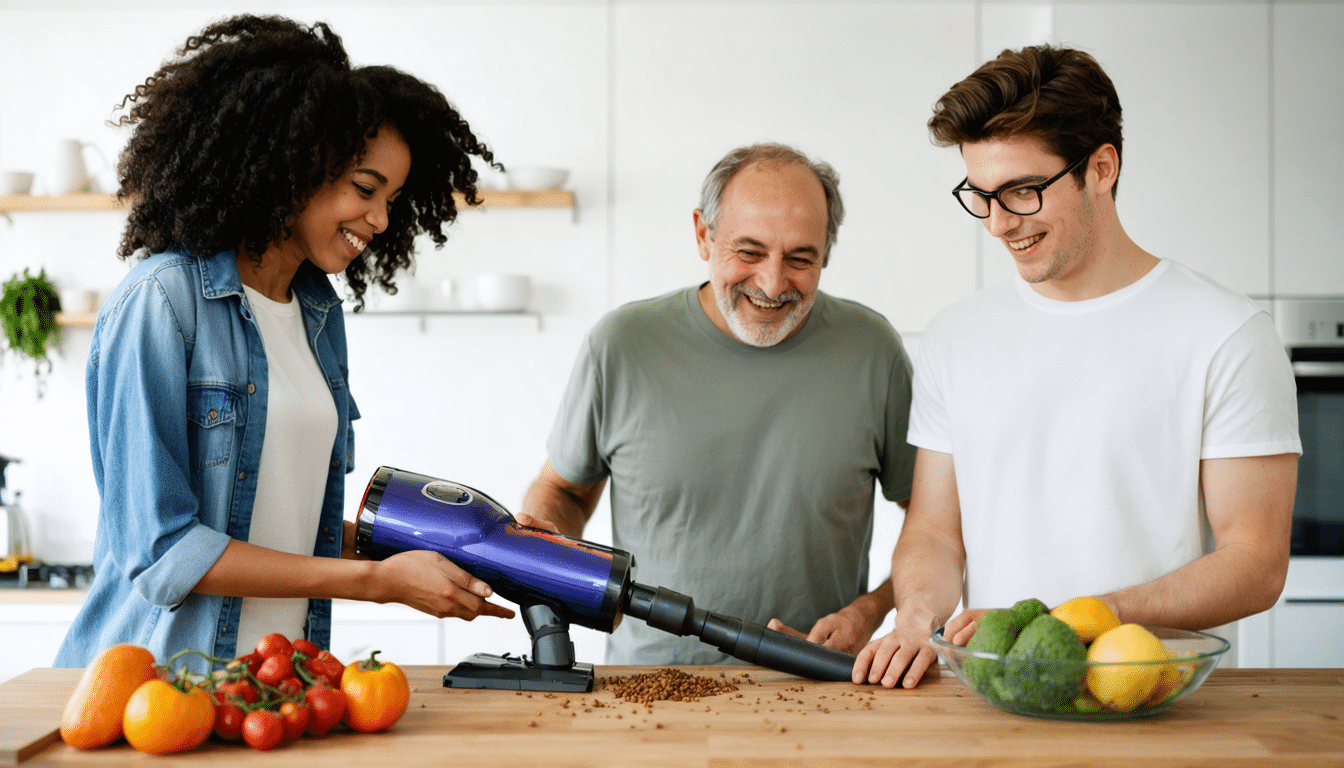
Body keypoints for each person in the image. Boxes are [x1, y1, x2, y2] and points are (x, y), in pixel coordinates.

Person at [54, 15, 515, 670]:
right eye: (366, 189)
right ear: (293, 164)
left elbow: (293, 527)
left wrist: (472, 552)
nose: (381, 219)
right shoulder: (163, 302)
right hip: (156, 692)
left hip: (274, 689)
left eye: (392, 198)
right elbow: (162, 552)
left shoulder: (317, 314)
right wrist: (376, 583)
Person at [855, 45, 1301, 688]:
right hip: (996, 698)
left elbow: (1255, 563)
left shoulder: (1226, 334)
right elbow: (934, 530)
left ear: (1101, 168)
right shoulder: (957, 335)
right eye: (981, 195)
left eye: (1023, 191)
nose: (998, 224)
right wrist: (917, 618)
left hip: (1150, 701)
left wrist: (1076, 620)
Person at [517, 143, 917, 666]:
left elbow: (935, 524)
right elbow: (564, 491)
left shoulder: (873, 352)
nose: (772, 283)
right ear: (703, 234)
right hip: (648, 686)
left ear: (826, 252)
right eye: (749, 252)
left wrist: (870, 611)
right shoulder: (622, 346)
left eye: (801, 258)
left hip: (816, 681)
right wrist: (547, 553)